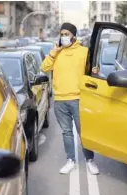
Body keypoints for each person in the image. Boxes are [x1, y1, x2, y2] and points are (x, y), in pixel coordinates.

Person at [41, 22, 99, 175]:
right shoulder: (56, 53)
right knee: (66, 132)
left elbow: (91, 72)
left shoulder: (84, 51)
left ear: (74, 36)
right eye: (62, 34)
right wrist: (53, 52)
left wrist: (94, 70)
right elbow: (44, 68)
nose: (64, 37)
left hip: (78, 98)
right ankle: (70, 160)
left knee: (83, 132)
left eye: (67, 34)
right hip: (60, 100)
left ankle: (90, 160)